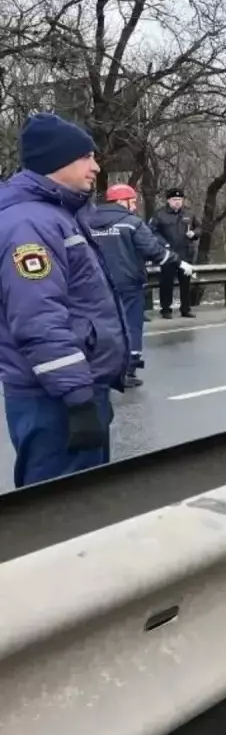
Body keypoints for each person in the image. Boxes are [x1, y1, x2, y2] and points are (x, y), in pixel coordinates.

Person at [0, 114, 129, 487]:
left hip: (65, 390)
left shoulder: (56, 214)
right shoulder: (30, 224)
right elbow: (38, 319)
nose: (96, 166)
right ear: (58, 161)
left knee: (81, 511)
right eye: (86, 157)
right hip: (53, 399)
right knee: (60, 518)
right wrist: (77, 396)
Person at [88, 183, 195, 387]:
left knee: (103, 326)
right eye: (132, 201)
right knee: (131, 326)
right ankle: (127, 369)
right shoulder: (131, 223)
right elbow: (154, 251)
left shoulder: (88, 222)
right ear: (121, 201)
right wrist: (179, 262)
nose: (134, 206)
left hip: (97, 285)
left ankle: (101, 367)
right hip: (128, 284)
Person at [149, 187, 199, 318]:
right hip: (167, 254)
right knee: (166, 282)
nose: (177, 202)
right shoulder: (160, 214)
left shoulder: (189, 213)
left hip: (185, 253)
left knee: (185, 283)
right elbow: (152, 231)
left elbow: (199, 228)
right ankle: (166, 309)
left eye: (180, 199)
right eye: (175, 199)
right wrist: (163, 243)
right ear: (168, 200)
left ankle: (186, 309)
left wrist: (194, 234)